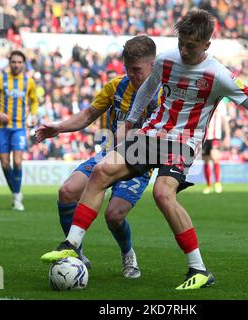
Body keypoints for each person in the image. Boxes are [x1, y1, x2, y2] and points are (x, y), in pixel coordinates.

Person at [41, 9, 248, 290]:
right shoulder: (166, 60)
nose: (183, 50)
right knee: (101, 170)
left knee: (162, 194)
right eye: (181, 42)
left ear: (206, 45)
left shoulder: (219, 75)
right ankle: (71, 244)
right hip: (151, 133)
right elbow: (147, 89)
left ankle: (199, 269)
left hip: (183, 143)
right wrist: (131, 120)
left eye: (191, 46)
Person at [36, 35, 160, 278]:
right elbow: (88, 115)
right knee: (67, 191)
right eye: (127, 69)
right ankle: (76, 253)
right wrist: (59, 128)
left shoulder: (165, 94)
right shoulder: (116, 87)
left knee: (113, 216)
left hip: (139, 163)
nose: (131, 75)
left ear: (152, 66)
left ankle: (128, 254)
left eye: (136, 69)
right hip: (109, 155)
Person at [0, 50, 38, 211]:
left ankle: (16, 196)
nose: (16, 65)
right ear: (9, 63)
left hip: (19, 127)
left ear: (23, 64)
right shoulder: (0, 80)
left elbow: (34, 101)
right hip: (2, 128)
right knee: (5, 164)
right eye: (14, 62)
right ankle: (16, 193)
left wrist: (34, 114)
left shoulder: (29, 82)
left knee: (17, 161)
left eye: (19, 62)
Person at [202, 98, 230, 194]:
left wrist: (227, 136)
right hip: (204, 137)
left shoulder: (221, 104)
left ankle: (217, 183)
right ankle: (209, 185)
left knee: (215, 158)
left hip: (215, 136)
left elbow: (224, 121)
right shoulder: (203, 101)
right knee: (205, 160)